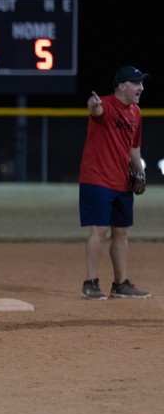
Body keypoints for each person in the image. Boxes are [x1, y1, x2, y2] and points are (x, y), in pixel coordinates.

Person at [79, 66, 151, 300]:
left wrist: (139, 173)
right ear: (122, 86)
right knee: (99, 229)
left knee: (121, 232)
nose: (141, 87)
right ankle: (90, 283)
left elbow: (134, 148)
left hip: (122, 181)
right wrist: (93, 103)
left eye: (141, 82)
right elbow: (95, 110)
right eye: (136, 82)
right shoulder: (107, 105)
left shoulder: (136, 113)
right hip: (97, 177)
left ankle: (120, 284)